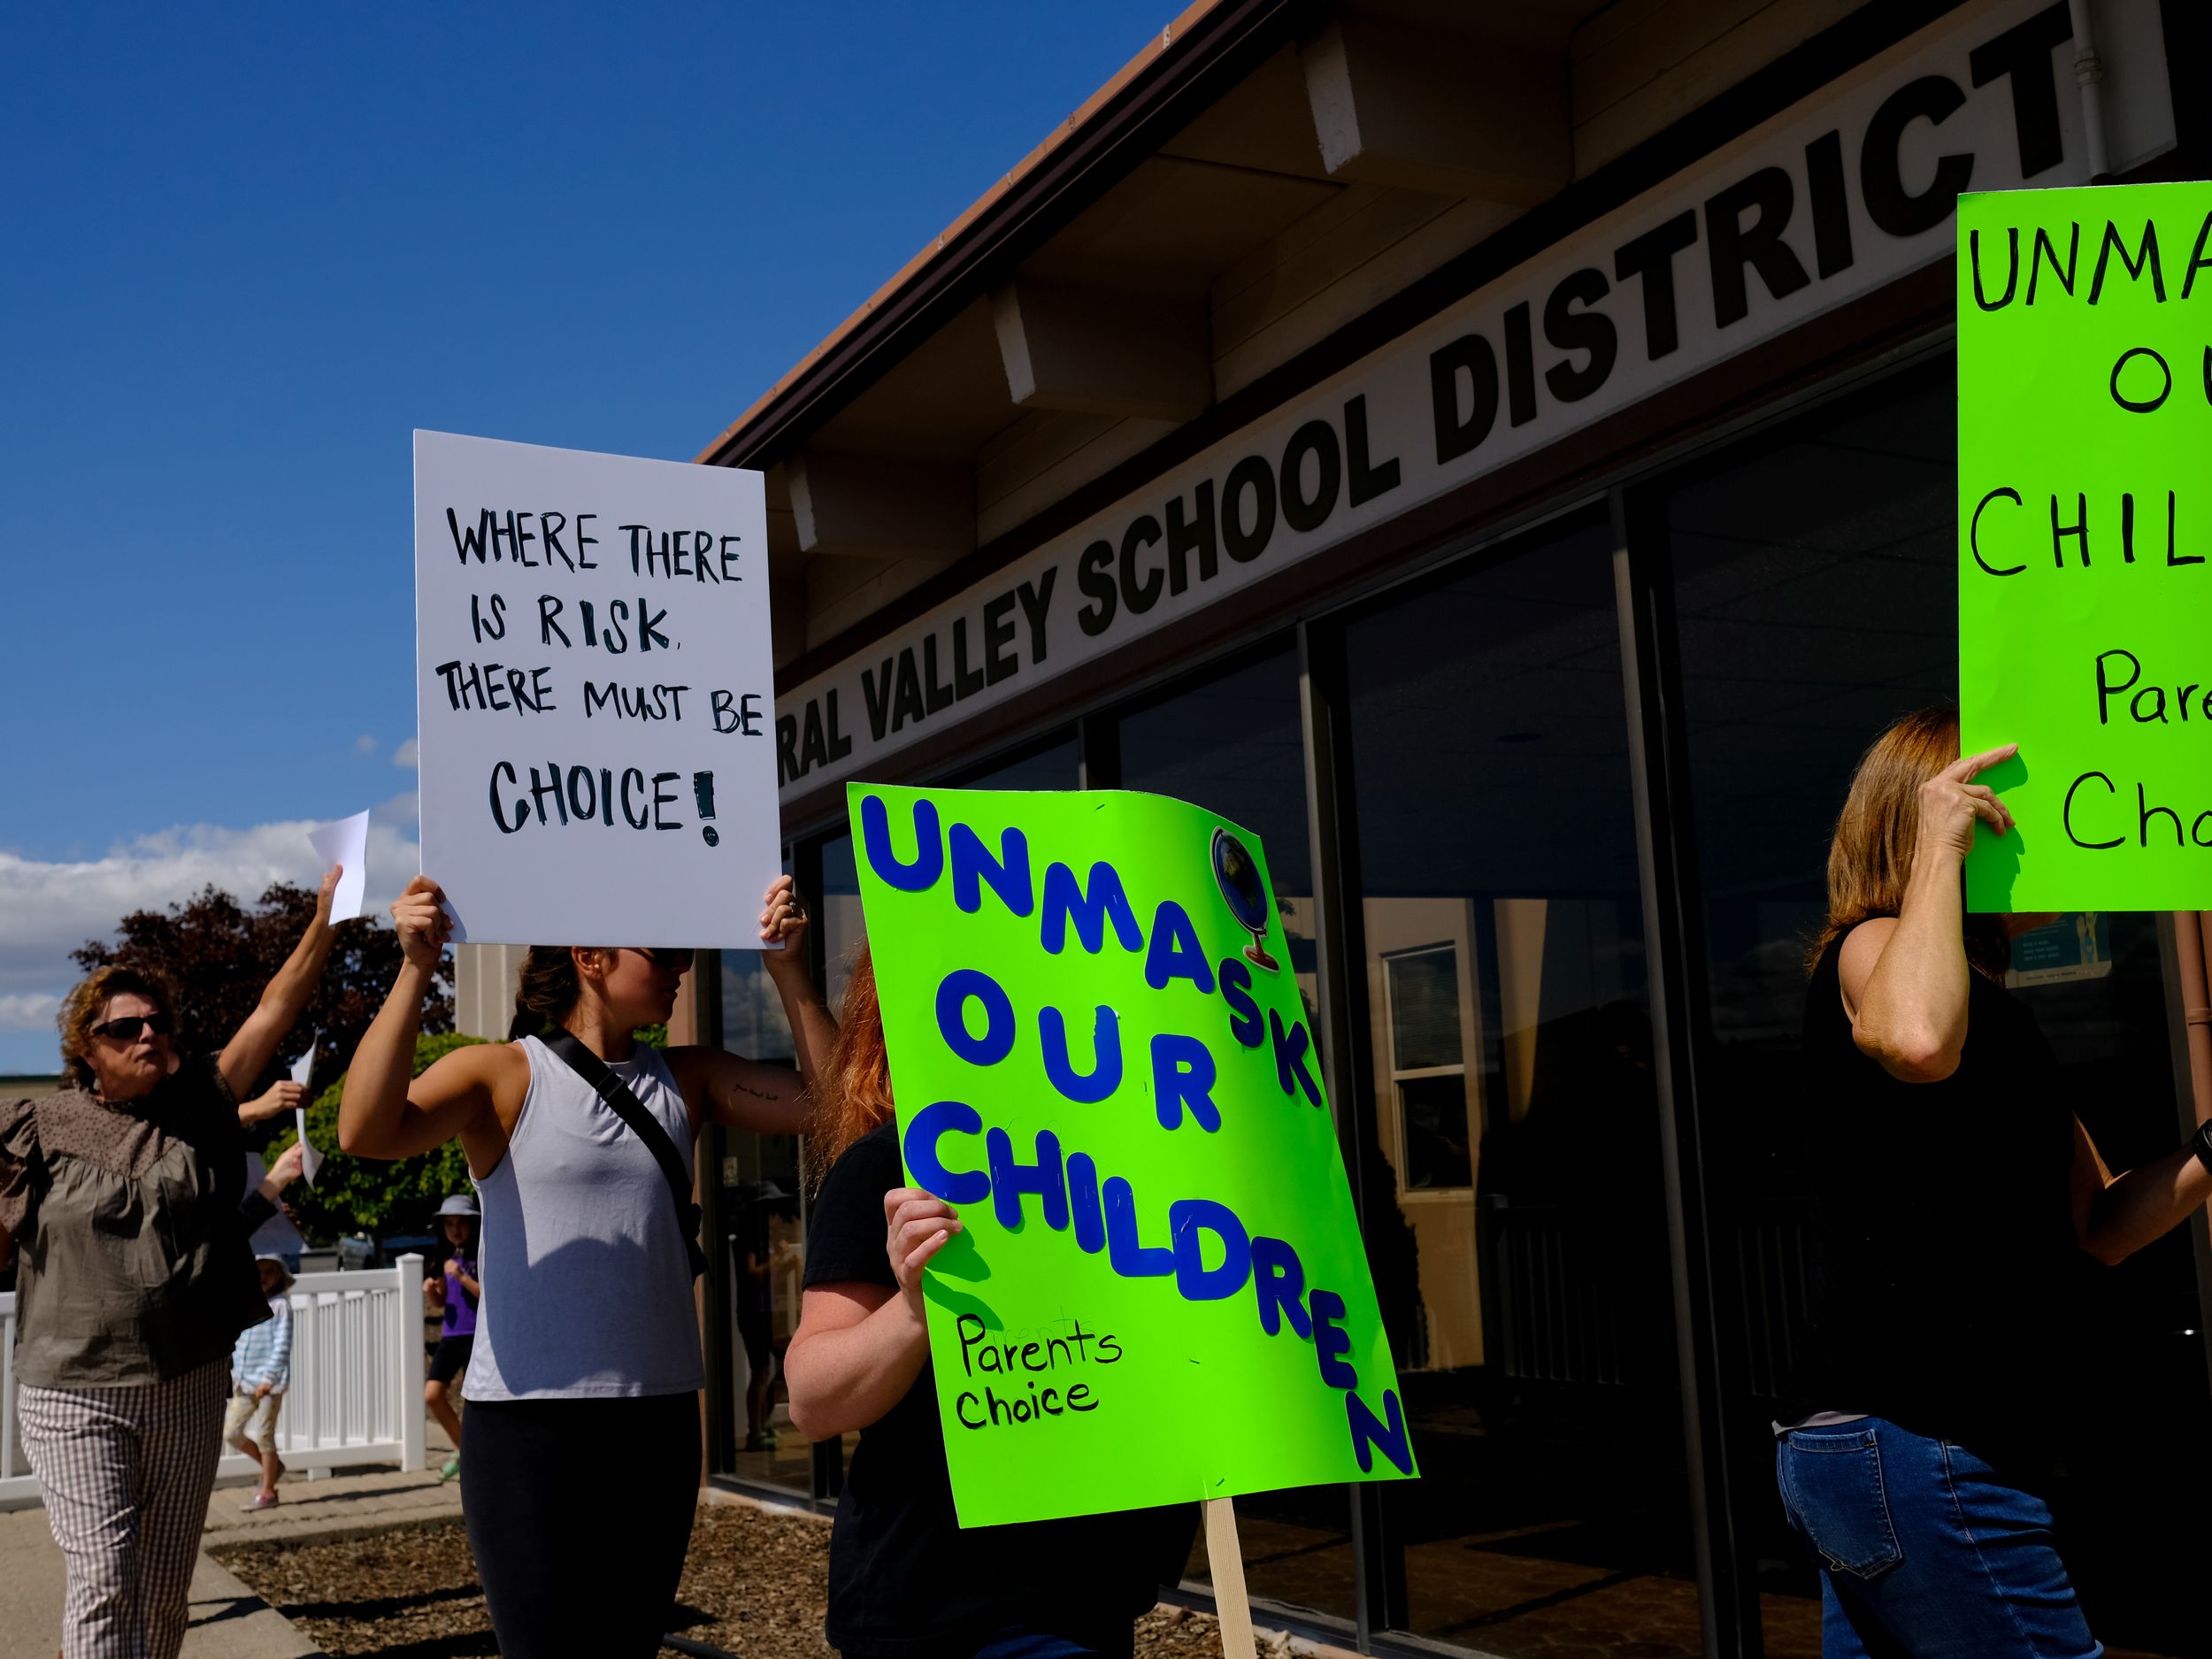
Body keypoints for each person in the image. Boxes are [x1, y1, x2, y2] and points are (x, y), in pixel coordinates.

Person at [1777, 707, 2212, 1655]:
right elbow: (1919, 1040)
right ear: (1941, 822)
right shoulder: (1870, 949)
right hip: (1916, 1439)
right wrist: (1937, 850)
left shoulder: (2002, 1023)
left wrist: (2209, 1150)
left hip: (1904, 1450)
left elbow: (2099, 1223)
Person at [339, 872, 833, 1659]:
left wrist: (786, 966)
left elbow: (837, 1108)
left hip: (658, 1419)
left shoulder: (690, 1077)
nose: (682, 969)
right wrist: (413, 967)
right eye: (665, 951)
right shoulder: (501, 1073)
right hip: (527, 1428)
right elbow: (364, 1129)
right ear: (591, 956)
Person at [786, 946, 1197, 1659]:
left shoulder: (1121, 1162)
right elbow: (813, 1398)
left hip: (1091, 1591)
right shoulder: (886, 1168)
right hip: (950, 1607)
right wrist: (914, 1310)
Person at [0, 866, 342, 1659]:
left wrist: (325, 918)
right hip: (71, 1389)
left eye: (157, 1022)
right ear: (87, 1048)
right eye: (125, 1027)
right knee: (105, 1574)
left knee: (159, 1594)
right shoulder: (38, 1127)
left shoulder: (200, 1108)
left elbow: (273, 1012)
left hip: (187, 1382)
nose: (148, 1034)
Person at [225, 1255, 296, 1509]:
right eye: (259, 1271)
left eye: (270, 1272)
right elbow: (239, 1342)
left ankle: (268, 1491)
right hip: (244, 1382)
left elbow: (281, 1345)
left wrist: (269, 1378)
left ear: (279, 1277)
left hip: (268, 1385)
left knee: (265, 1435)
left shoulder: (280, 1306)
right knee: (231, 1432)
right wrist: (235, 1374)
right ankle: (274, 1468)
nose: (264, 1277)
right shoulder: (247, 1304)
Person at [424, 1191, 480, 1479]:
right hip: (450, 1336)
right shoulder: (443, 1257)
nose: (455, 1229)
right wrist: (433, 1293)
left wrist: (461, 1277)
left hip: (476, 1337)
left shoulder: (482, 1254)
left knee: (474, 1402)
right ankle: (463, 1450)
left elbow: (486, 1295)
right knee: (432, 1395)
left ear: (473, 1225)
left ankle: (473, 1456)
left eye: (461, 1223)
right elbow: (442, 1303)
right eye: (449, 1224)